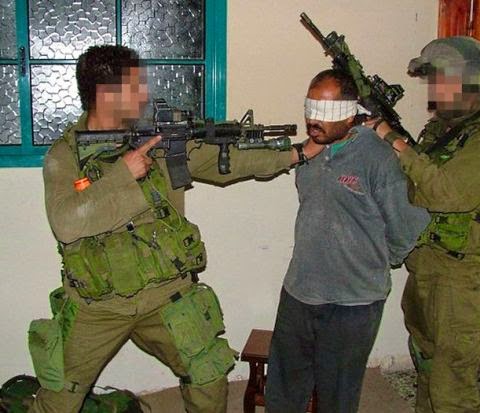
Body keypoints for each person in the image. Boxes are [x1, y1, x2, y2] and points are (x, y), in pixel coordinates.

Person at [30, 44, 322, 413]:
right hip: (98, 304)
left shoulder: (156, 140)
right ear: (107, 93)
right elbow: (66, 223)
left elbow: (227, 161)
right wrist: (123, 175)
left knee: (208, 374)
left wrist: (296, 154)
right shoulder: (66, 156)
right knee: (59, 397)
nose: (144, 94)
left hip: (164, 293)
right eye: (135, 86)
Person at [264, 69, 430, 413]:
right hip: (300, 291)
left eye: (325, 112)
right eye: (310, 108)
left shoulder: (378, 158)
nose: (314, 119)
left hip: (353, 304)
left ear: (351, 113)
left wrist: (370, 262)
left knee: (337, 396)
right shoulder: (310, 154)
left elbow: (409, 225)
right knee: (283, 392)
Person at [370, 36, 480, 412]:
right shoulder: (442, 133)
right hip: (426, 269)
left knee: (452, 388)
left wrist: (395, 142)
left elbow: (444, 193)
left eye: (445, 81)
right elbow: (414, 188)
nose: (436, 90)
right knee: (428, 369)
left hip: (457, 281)